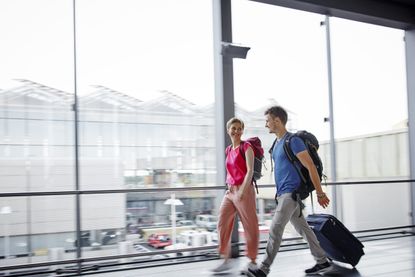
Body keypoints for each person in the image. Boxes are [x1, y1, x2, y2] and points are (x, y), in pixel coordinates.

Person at [248, 106, 332, 277]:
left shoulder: (292, 141)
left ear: (277, 121)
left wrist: (320, 193)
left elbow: (310, 167)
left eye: (267, 121)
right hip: (283, 195)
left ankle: (264, 268)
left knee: (275, 229)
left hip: (291, 194)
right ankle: (322, 260)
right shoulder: (276, 144)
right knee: (304, 230)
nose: (266, 125)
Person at [211, 117, 259, 274]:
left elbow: (250, 171)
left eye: (240, 128)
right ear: (228, 130)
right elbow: (231, 171)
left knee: (249, 226)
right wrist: (229, 188)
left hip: (244, 190)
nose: (237, 131)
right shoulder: (228, 149)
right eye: (234, 128)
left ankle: (252, 261)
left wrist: (242, 192)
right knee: (222, 222)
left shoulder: (247, 147)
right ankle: (225, 259)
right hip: (230, 191)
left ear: (243, 130)